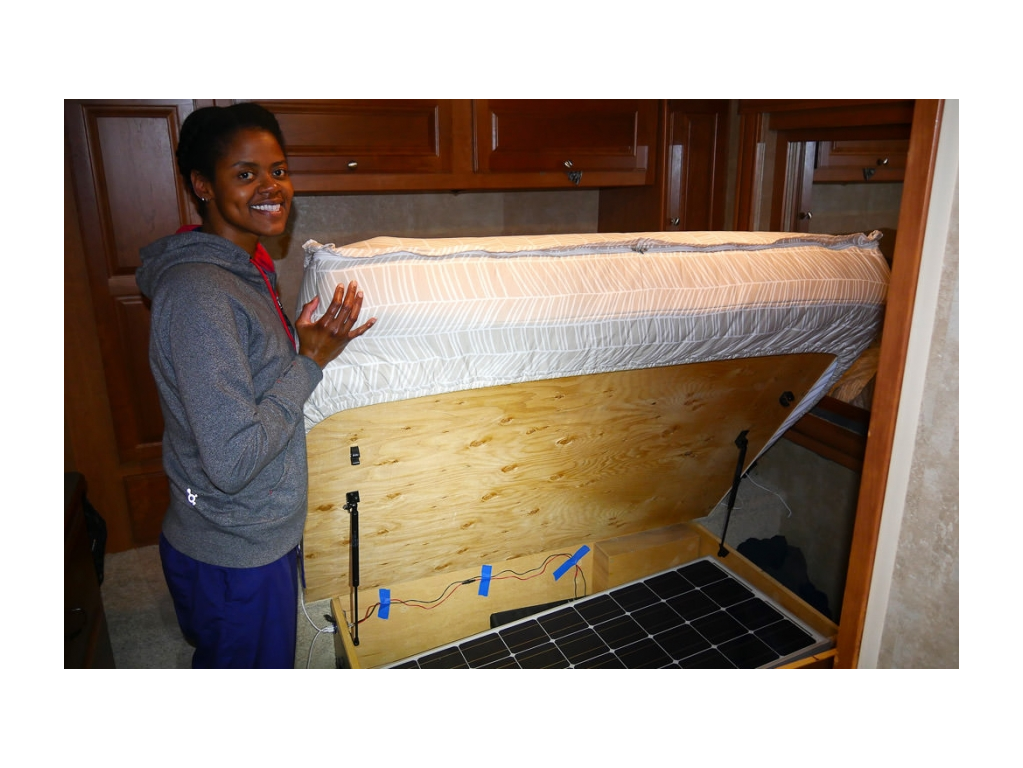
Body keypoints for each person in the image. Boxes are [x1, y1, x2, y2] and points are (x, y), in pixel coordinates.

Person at [135, 103, 375, 668]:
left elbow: (244, 381)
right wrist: (309, 362)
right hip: (236, 550)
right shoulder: (201, 294)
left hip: (236, 532)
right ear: (203, 186)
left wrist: (298, 344)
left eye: (278, 170)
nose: (271, 187)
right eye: (245, 174)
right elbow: (234, 457)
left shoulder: (245, 268)